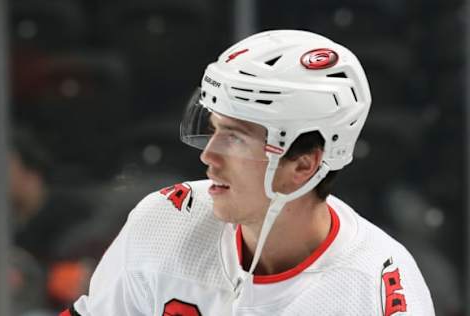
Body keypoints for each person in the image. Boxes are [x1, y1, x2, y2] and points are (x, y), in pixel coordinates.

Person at [61, 30, 435, 315]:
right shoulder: (165, 221)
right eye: (214, 128)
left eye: (236, 139)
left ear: (304, 165)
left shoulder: (374, 288)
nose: (209, 156)